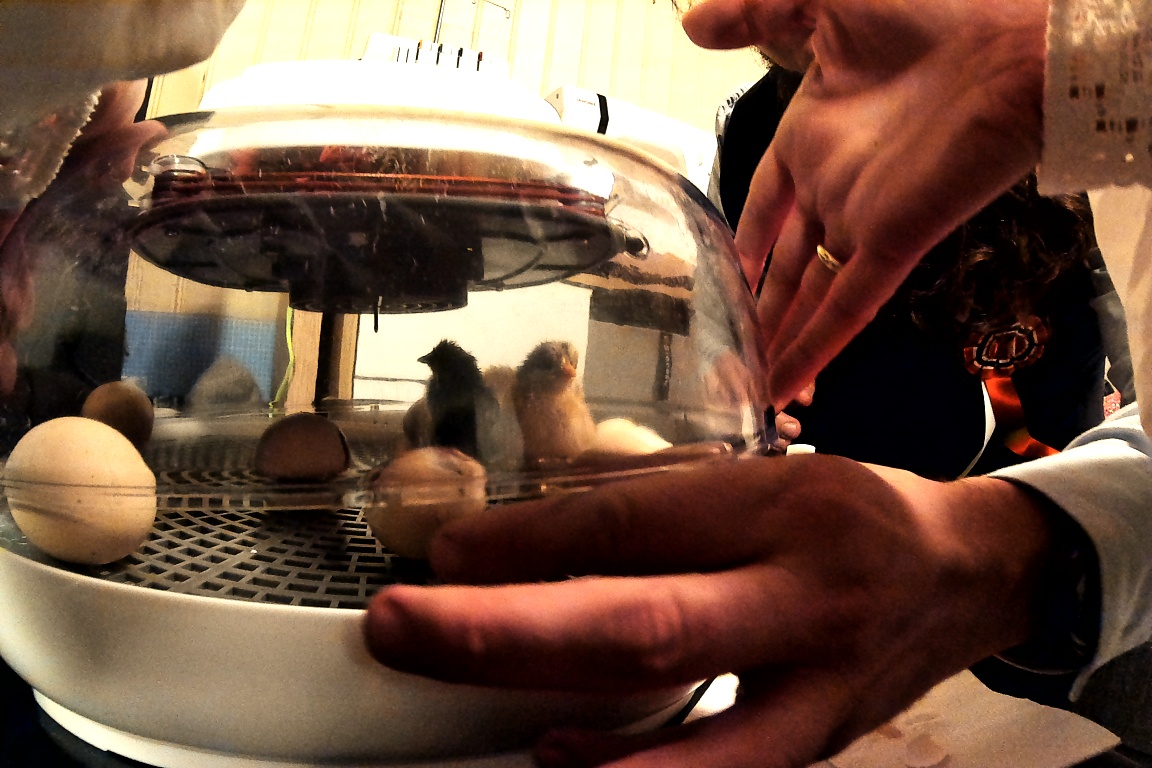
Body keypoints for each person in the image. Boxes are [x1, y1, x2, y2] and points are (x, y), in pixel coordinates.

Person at [360, 3, 1152, 768]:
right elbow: (745, 308)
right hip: (846, 525)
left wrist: (1008, 551)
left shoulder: (1088, 139)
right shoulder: (757, 125)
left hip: (1039, 540)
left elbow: (1092, 410)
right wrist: (740, 383)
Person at [711, 64, 1106, 479]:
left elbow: (1085, 464)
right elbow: (720, 326)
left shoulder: (1090, 152)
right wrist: (729, 392)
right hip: (806, 469)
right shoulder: (750, 124)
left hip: (1001, 473)